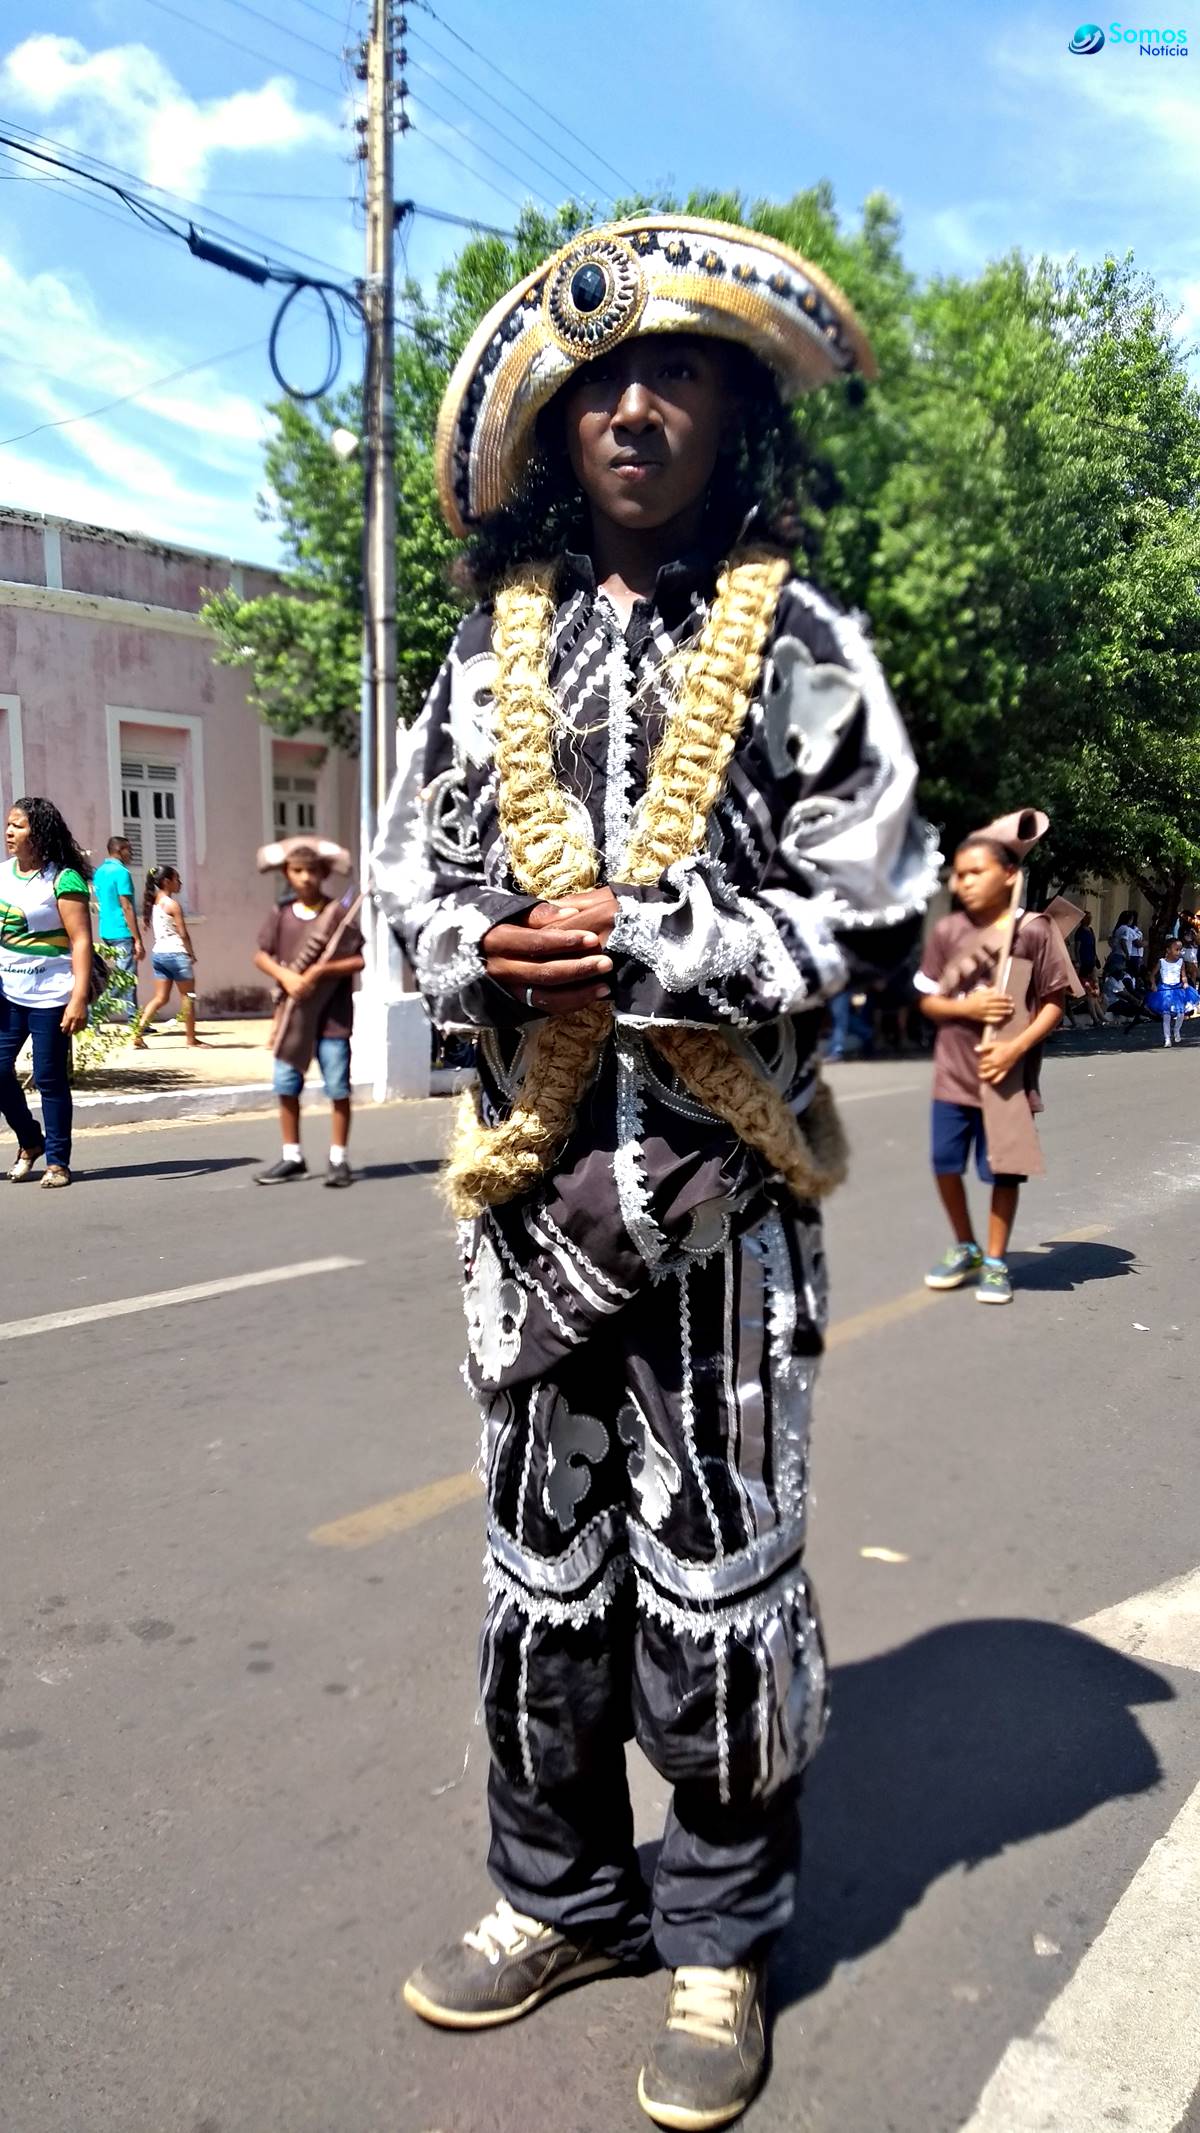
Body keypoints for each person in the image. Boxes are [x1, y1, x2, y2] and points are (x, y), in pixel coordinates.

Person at [372, 215, 937, 2127]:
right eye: (603, 380)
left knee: (720, 1586)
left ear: (734, 413)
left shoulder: (804, 644)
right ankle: (562, 1896)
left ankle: (714, 1940)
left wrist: (666, 940)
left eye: (677, 373)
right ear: (555, 426)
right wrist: (482, 945)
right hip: (527, 1216)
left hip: (716, 1221)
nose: (635, 408)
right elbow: (406, 885)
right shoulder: (482, 656)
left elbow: (878, 913)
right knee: (540, 1579)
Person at [916, 824, 1074, 1306]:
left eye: (975, 873)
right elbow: (928, 1000)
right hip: (953, 1076)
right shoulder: (948, 931)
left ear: (1009, 875)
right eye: (958, 874)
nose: (963, 882)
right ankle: (966, 1245)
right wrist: (966, 1008)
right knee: (944, 1163)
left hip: (1008, 1078)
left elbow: (1053, 1004)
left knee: (1003, 1172)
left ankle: (997, 1259)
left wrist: (1013, 1048)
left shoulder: (1035, 930)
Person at [253, 838, 364, 1187]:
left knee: (338, 1090)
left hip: (333, 1019)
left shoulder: (338, 915)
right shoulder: (280, 913)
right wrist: (286, 976)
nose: (305, 877)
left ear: (324, 874)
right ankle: (292, 1157)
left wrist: (318, 971)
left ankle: (338, 1159)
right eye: (297, 870)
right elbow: (261, 955)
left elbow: (358, 960)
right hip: (293, 1017)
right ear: (287, 873)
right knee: (286, 1087)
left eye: (312, 871)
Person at [0, 796, 93, 1188]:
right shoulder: (2, 874)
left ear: (38, 832)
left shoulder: (62, 878)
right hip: (7, 993)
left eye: (18, 826)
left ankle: (58, 1162)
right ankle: (30, 1140)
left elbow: (81, 940)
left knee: (49, 1078)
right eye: (8, 824)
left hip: (51, 995)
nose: (9, 832)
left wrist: (78, 998)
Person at [91, 834, 146, 1045]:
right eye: (128, 850)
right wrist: (137, 938)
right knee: (125, 980)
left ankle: (134, 1020)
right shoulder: (121, 872)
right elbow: (127, 906)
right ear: (119, 850)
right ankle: (95, 1016)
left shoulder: (100, 872)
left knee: (125, 978)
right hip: (121, 931)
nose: (131, 853)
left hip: (106, 929)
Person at [139, 865, 201, 1044]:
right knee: (188, 997)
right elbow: (183, 933)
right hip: (177, 954)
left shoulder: (154, 903)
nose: (180, 883)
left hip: (159, 955)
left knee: (160, 998)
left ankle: (137, 1032)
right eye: (177, 879)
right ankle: (191, 1039)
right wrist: (191, 953)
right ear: (166, 882)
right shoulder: (173, 905)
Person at [1145, 939, 1197, 1046]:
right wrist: (1153, 984)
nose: (1179, 952)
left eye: (1180, 950)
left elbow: (1183, 975)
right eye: (1176, 949)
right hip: (1165, 991)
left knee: (1181, 1013)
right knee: (1166, 1015)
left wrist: (1185, 983)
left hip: (1177, 990)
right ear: (1168, 950)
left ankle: (1176, 1030)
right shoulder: (1161, 962)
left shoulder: (1181, 962)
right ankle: (1167, 1038)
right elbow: (1152, 975)